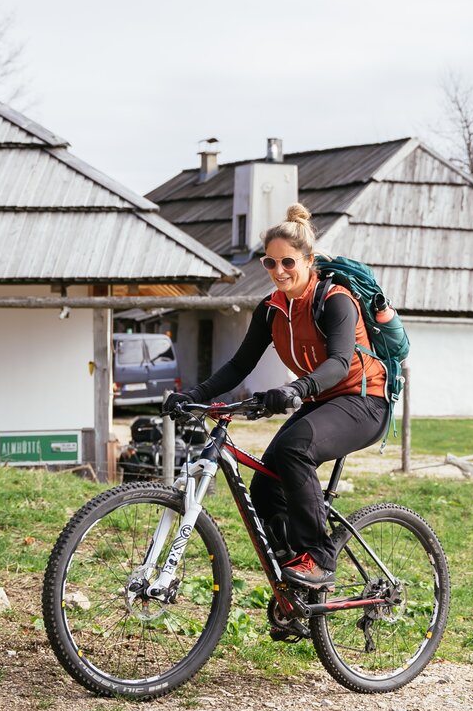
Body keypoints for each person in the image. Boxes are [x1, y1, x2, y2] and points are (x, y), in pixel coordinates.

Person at [165, 203, 388, 589]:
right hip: (320, 400)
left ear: (308, 260)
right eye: (270, 263)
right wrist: (194, 395)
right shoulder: (270, 309)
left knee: (293, 450)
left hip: (364, 400)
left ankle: (317, 559)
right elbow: (239, 365)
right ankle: (291, 585)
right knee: (266, 485)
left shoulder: (334, 300)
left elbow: (338, 361)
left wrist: (294, 388)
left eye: (288, 262)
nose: (279, 271)